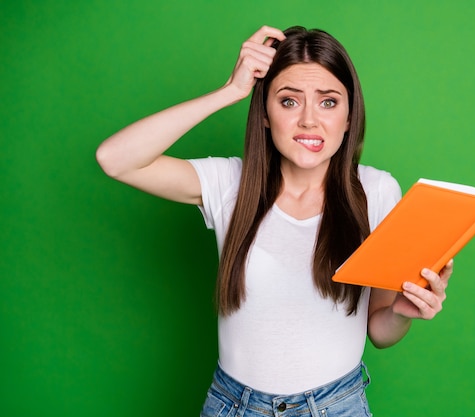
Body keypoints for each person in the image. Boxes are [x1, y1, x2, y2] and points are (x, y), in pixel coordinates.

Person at [96, 25, 453, 417]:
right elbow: (115, 159)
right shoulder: (230, 182)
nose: (309, 121)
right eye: (288, 102)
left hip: (337, 407)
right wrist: (229, 92)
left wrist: (403, 310)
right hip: (233, 406)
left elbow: (380, 332)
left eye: (329, 103)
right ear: (264, 113)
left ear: (349, 117)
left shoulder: (378, 191)